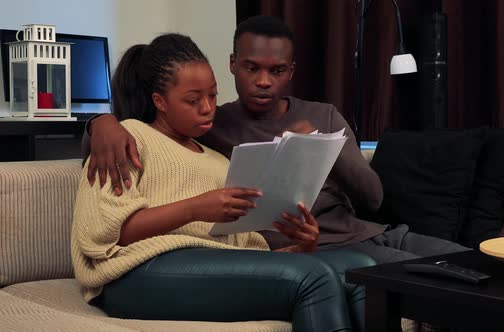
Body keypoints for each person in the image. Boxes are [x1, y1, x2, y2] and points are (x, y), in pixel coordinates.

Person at [83, 16, 468, 265]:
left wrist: (321, 148)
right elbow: (143, 142)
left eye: (276, 70)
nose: (263, 81)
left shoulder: (323, 114)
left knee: (474, 267)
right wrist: (100, 122)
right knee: (437, 285)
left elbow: (374, 199)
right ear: (233, 64)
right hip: (320, 251)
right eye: (251, 68)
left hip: (375, 234)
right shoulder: (211, 126)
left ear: (291, 72)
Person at [72, 33, 374, 332]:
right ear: (159, 101)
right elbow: (107, 234)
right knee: (314, 278)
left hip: (208, 264)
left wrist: (301, 248)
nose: (207, 108)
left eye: (213, 95)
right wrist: (196, 208)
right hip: (134, 274)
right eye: (193, 100)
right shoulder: (127, 139)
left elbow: (241, 252)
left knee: (362, 270)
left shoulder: (219, 160)